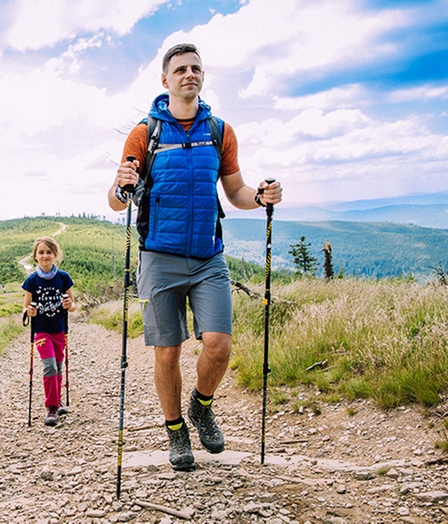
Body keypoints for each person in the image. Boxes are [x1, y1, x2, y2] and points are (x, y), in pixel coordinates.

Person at [107, 43, 282, 471]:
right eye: (181, 69)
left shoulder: (220, 131)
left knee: (219, 347)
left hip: (208, 256)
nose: (190, 74)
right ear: (165, 80)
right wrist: (119, 185)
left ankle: (201, 407)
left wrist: (259, 197)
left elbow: (236, 192)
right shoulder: (145, 133)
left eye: (196, 69)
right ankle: (175, 431)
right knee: (167, 352)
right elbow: (117, 201)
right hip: (158, 257)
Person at [22, 236, 76, 426]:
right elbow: (25, 307)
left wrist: (69, 305)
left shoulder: (63, 278)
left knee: (59, 366)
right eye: (41, 252)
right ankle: (51, 407)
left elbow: (73, 305)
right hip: (41, 331)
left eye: (49, 252)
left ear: (55, 255)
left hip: (59, 329)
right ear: (35, 256)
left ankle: (57, 399)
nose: (45, 256)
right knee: (50, 366)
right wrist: (28, 312)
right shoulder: (32, 281)